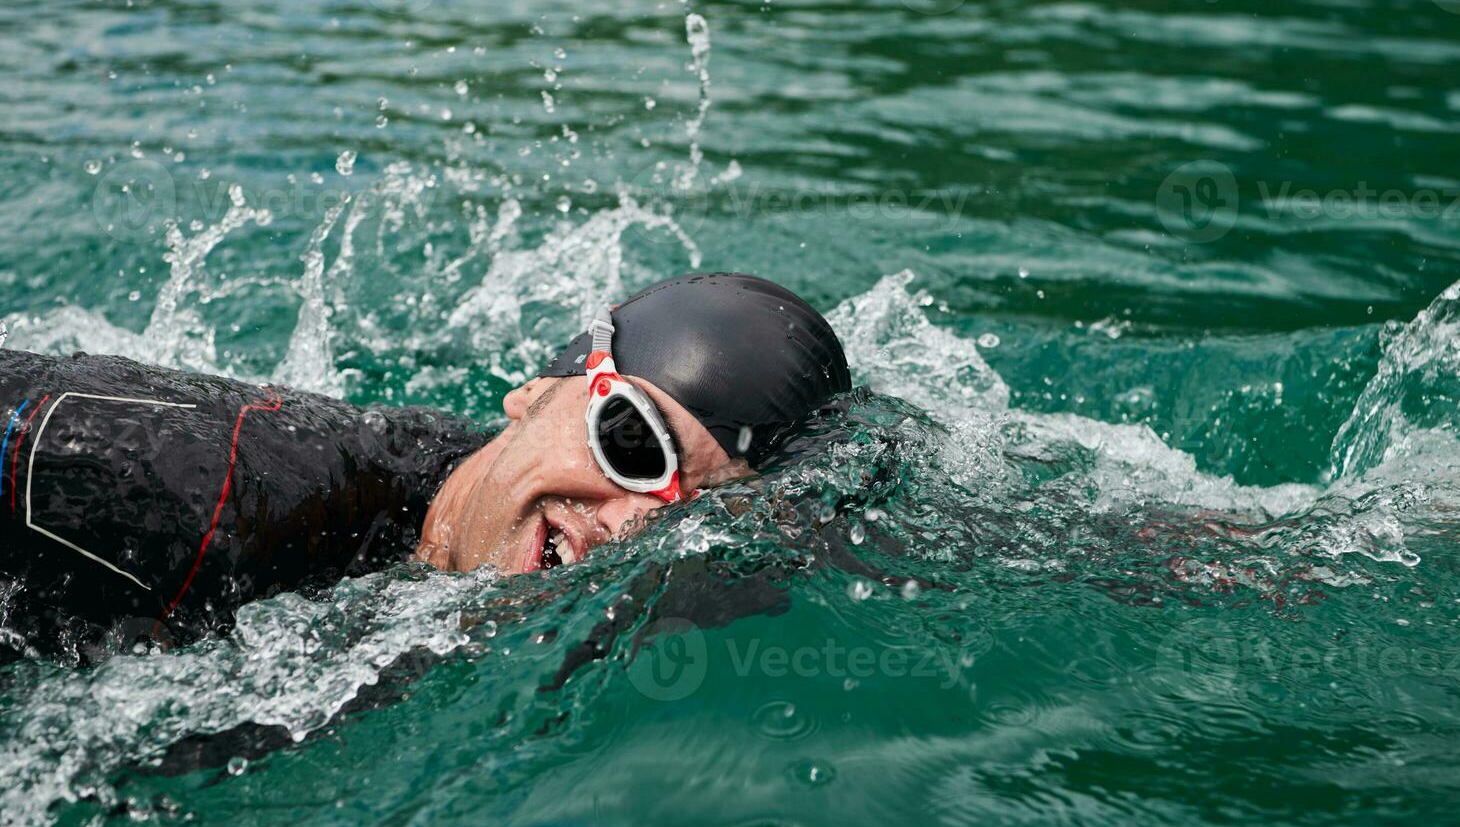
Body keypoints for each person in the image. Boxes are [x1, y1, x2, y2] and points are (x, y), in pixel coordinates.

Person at [0, 273, 851, 663]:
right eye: (634, 445)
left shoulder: (518, 610)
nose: (632, 523)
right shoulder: (173, 478)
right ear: (533, 392)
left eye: (685, 516)